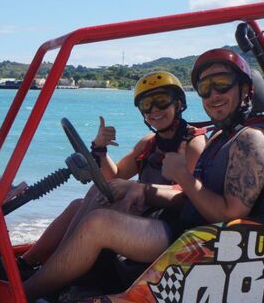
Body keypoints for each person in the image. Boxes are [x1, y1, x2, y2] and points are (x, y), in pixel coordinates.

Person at [23, 48, 264, 300]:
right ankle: (42, 274)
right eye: (206, 88)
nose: (214, 95)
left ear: (246, 89)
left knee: (99, 222)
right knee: (91, 199)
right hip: (182, 227)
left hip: (198, 240)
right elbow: (115, 176)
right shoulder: (223, 137)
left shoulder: (249, 141)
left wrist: (177, 178)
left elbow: (229, 216)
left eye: (222, 84)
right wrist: (100, 149)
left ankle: (25, 293)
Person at [17, 71, 206, 271]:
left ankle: (56, 267)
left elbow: (191, 194)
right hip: (142, 211)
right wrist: (101, 148)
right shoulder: (149, 143)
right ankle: (26, 262)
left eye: (161, 101)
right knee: (77, 204)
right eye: (146, 105)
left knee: (97, 204)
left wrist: (139, 187)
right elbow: (115, 176)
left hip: (164, 222)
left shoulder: (192, 143)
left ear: (178, 104)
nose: (154, 109)